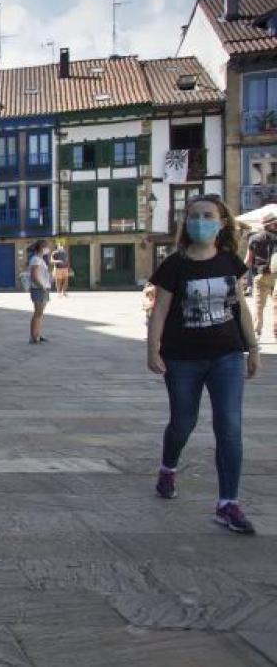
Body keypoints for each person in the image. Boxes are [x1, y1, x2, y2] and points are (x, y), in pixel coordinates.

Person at [147, 194, 262, 534]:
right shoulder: (174, 265)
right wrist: (153, 349)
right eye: (194, 216)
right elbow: (161, 311)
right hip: (182, 357)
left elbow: (239, 306)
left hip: (226, 355)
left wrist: (252, 347)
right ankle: (168, 467)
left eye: (207, 215)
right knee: (183, 421)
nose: (200, 221)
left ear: (222, 222)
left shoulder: (230, 262)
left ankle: (228, 503)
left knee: (229, 426)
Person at [244, 215, 277, 340]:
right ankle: (276, 329)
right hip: (276, 275)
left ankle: (256, 331)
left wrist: (240, 276)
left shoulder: (254, 238)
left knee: (258, 305)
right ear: (272, 224)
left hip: (261, 275)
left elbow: (248, 260)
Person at [27, 239, 52, 344]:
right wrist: (42, 286)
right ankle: (33, 337)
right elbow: (34, 275)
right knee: (38, 313)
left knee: (40, 314)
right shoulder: (36, 259)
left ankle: (37, 334)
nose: (48, 249)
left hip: (43, 288)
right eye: (47, 247)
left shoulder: (40, 260)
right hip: (39, 289)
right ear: (42, 248)